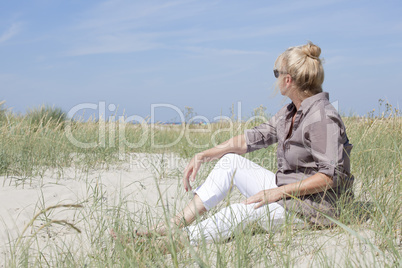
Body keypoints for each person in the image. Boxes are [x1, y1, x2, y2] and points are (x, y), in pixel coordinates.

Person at [121, 41, 354, 247]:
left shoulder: (322, 117)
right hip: (288, 191)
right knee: (230, 161)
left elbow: (331, 177)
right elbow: (250, 140)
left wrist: (276, 192)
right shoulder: (290, 112)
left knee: (240, 211)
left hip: (314, 208)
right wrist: (205, 154)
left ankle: (173, 244)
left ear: (288, 79)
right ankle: (174, 225)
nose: (275, 79)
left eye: (276, 72)